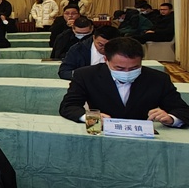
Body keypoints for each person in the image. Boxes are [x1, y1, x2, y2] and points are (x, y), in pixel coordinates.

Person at [59, 38, 189, 126]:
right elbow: (68, 106)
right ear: (106, 60)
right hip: (103, 134)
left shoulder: (158, 79)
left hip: (143, 137)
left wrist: (171, 119)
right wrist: (91, 118)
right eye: (120, 68)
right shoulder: (86, 75)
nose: (127, 72)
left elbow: (182, 110)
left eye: (134, 68)